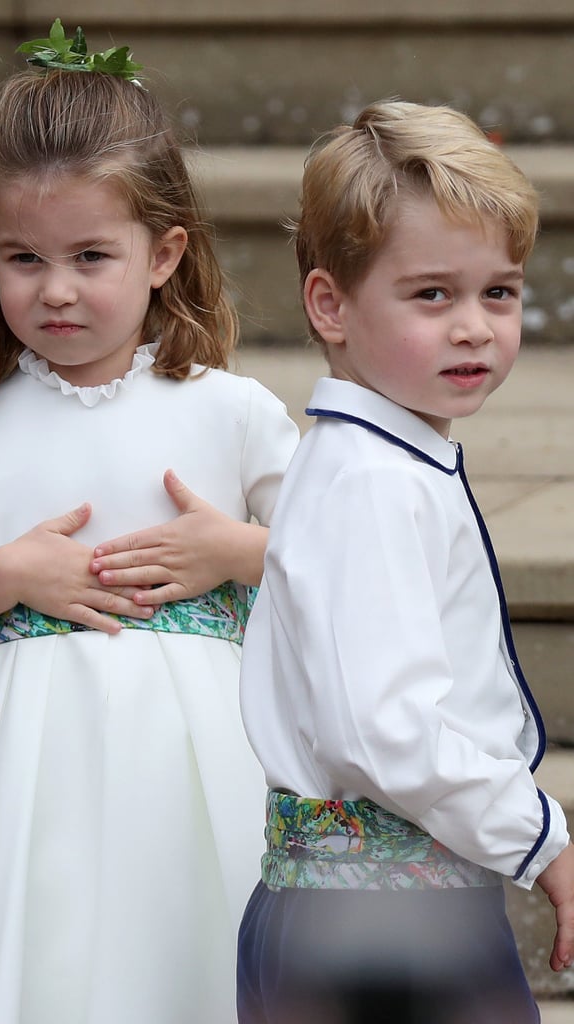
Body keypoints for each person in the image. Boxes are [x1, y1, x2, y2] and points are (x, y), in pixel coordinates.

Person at [0, 23, 299, 1024]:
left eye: (92, 255)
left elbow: (343, 571)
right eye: (23, 257)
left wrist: (238, 553)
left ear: (165, 251)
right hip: (16, 789)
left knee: (189, 969)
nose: (55, 288)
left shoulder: (232, 411)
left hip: (197, 778)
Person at [237, 99, 574, 1024]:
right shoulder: (371, 483)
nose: (474, 326)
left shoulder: (381, 463)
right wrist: (539, 838)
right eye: (433, 294)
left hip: (377, 916)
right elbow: (386, 728)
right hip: (381, 933)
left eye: (497, 292)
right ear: (330, 305)